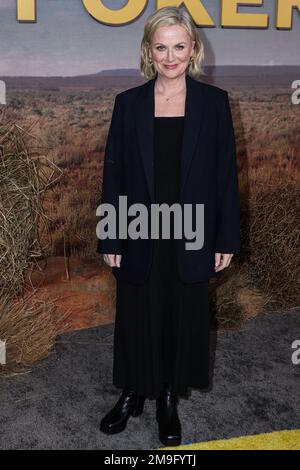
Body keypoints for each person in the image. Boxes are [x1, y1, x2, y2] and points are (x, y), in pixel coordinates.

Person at [96, 6, 240, 447]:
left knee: (181, 314)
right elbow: (114, 173)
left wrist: (225, 237)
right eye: (161, 47)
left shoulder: (214, 104)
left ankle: (166, 398)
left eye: (179, 46)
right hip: (139, 227)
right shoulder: (129, 103)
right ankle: (132, 391)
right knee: (136, 312)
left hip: (192, 229)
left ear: (193, 49)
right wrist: (110, 233)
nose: (171, 56)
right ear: (148, 51)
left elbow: (224, 177)